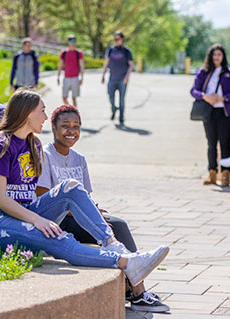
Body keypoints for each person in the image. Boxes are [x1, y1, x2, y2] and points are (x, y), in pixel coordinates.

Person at [0, 89, 169, 309]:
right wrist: (37, 220)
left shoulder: (33, 144)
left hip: (27, 211)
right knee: (59, 237)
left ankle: (113, 245)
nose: (45, 117)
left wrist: (39, 216)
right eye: (42, 111)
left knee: (71, 187)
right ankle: (125, 262)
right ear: (28, 113)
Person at [35, 104, 170, 313]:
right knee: (115, 227)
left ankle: (133, 288)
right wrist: (88, 214)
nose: (71, 131)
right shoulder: (44, 156)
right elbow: (42, 197)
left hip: (79, 218)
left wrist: (95, 211)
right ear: (53, 127)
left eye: (76, 126)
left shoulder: (79, 159)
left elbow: (85, 197)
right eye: (65, 126)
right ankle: (138, 291)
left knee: (116, 223)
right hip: (57, 221)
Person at [190, 44, 230, 187]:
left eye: (219, 55)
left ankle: (225, 174)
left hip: (224, 111)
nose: (217, 57)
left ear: (223, 57)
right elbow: (194, 90)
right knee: (211, 143)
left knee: (224, 143)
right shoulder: (203, 72)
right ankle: (212, 172)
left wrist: (222, 98)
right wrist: (205, 96)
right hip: (209, 111)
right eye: (214, 54)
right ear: (210, 56)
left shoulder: (229, 72)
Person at [102, 30, 134, 126]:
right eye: (114, 39)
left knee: (121, 99)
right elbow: (106, 62)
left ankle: (121, 118)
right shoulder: (111, 50)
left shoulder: (127, 51)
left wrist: (127, 77)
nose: (116, 40)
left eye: (117, 39)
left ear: (122, 39)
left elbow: (131, 65)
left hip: (122, 79)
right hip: (112, 78)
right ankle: (114, 109)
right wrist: (103, 74)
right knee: (110, 96)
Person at [57, 35, 84, 107]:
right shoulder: (64, 52)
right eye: (71, 41)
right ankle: (71, 109)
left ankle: (75, 113)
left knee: (74, 98)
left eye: (74, 41)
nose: (72, 43)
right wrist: (58, 77)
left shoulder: (78, 53)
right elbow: (60, 65)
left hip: (75, 78)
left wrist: (82, 78)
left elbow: (81, 66)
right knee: (64, 97)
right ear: (68, 42)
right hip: (66, 78)